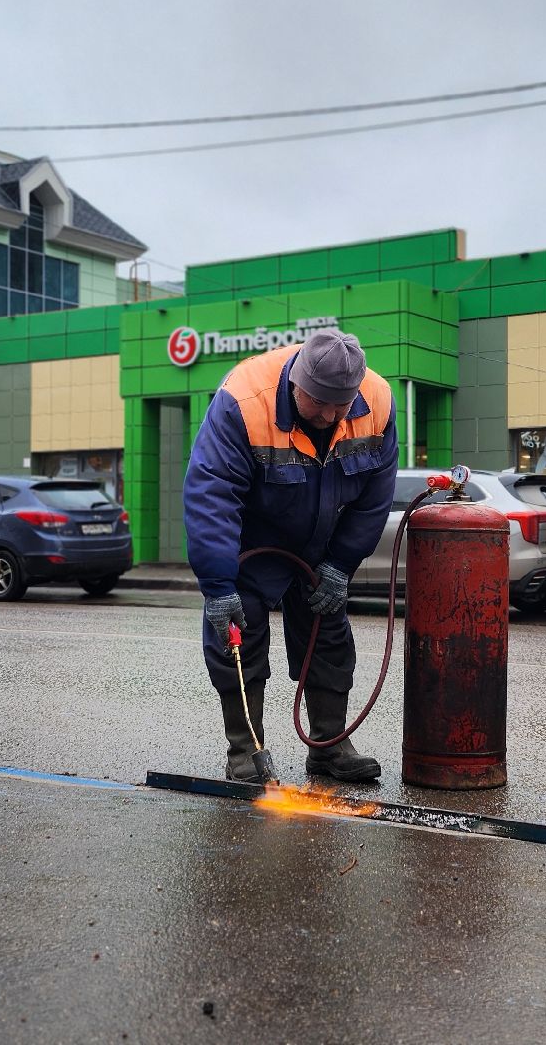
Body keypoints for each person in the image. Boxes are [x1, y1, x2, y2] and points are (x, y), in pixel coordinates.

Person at [183, 329, 398, 782]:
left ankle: (329, 747)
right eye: (317, 401)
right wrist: (218, 585)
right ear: (296, 381)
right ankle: (247, 752)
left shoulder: (377, 400)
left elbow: (374, 497)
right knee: (239, 642)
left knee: (330, 637)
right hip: (251, 543)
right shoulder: (244, 400)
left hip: (323, 546)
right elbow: (212, 496)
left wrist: (342, 563)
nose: (327, 414)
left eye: (340, 405)